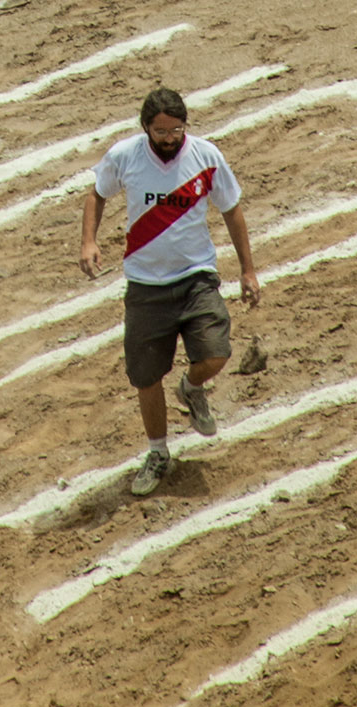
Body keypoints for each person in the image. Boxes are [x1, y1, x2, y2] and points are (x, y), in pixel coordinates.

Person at [80, 83, 261, 498]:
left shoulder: (206, 155)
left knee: (216, 352)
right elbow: (96, 193)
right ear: (146, 127)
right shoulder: (125, 155)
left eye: (176, 130)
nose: (169, 139)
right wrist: (88, 241)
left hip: (196, 276)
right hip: (145, 286)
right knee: (146, 378)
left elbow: (232, 210)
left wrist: (248, 270)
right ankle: (158, 452)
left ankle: (192, 388)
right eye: (161, 132)